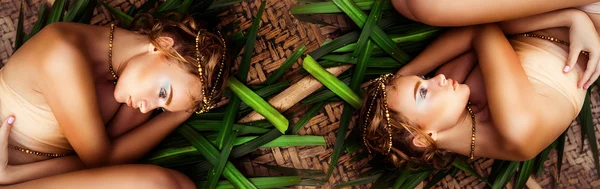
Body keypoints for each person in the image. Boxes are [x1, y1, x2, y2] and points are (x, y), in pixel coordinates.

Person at [0, 14, 229, 188]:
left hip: (15, 177)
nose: (147, 106)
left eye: (161, 108)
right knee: (159, 184)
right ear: (162, 45)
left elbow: (110, 155)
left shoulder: (128, 83)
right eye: (162, 94)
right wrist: (177, 116)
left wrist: (181, 111)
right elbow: (102, 160)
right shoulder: (62, 55)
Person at [360, 4, 600, 169]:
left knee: (407, 4)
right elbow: (484, 31)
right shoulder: (517, 128)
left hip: (552, 14)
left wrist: (403, 76)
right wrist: (571, 18)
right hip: (589, 15)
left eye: (424, 78)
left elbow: (476, 31)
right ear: (423, 138)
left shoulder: (455, 101)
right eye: (422, 92)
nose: (437, 79)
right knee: (422, 4)